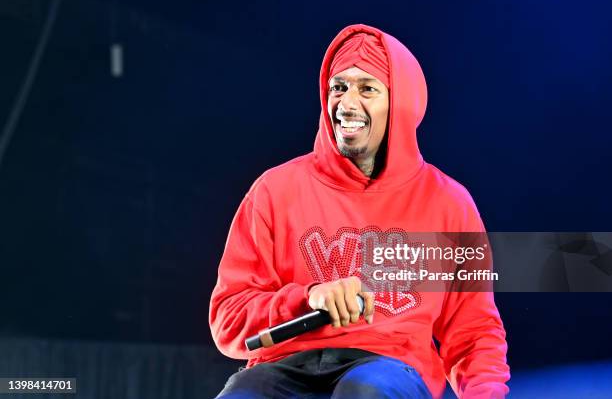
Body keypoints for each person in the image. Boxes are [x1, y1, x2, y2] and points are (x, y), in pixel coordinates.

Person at [209, 24, 510, 399]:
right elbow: (228, 322)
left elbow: (474, 331)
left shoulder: (449, 202)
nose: (347, 104)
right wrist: (307, 298)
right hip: (284, 366)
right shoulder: (274, 189)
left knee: (364, 392)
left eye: (367, 88)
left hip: (387, 367)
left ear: (400, 102)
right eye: (339, 87)